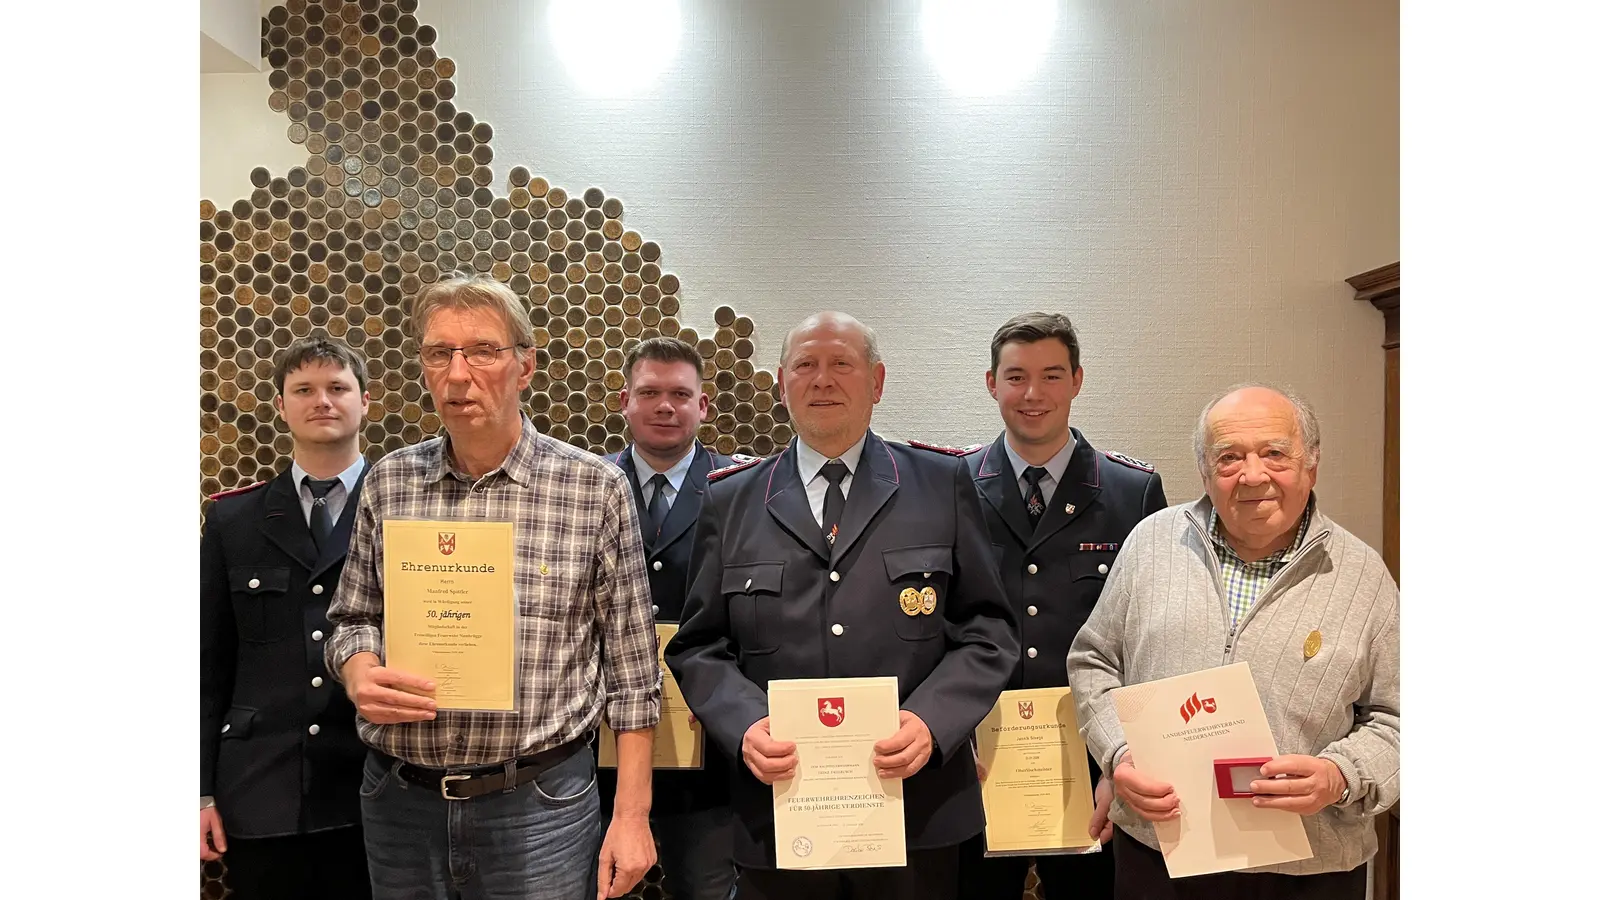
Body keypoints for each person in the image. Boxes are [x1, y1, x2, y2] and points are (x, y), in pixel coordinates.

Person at [324, 273, 662, 900]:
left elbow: (634, 671)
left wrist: (632, 816)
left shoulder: (593, 489)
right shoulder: (390, 483)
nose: (458, 374)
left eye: (482, 351)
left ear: (525, 365)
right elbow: (351, 618)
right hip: (401, 801)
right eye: (438, 353)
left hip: (541, 806)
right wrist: (358, 669)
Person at [665, 311, 1019, 900]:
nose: (822, 379)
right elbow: (700, 645)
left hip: (915, 808)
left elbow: (989, 628)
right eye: (805, 365)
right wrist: (744, 723)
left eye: (841, 364)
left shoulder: (942, 482)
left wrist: (933, 719)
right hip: (779, 808)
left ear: (876, 382)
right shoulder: (731, 499)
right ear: (782, 383)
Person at [1067, 384, 1399, 900]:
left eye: (1274, 454)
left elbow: (1398, 718)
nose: (1252, 475)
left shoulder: (1364, 576)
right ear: (1204, 471)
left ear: (1311, 465)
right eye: (1229, 458)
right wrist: (1119, 754)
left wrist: (1339, 775)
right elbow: (1093, 662)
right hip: (1160, 854)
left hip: (1310, 871)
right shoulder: (1150, 544)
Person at [955, 311, 1167, 900]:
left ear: (1077, 380)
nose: (1032, 394)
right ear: (991, 383)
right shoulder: (952, 483)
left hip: (1097, 762)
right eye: (1016, 376)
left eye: (1051, 376)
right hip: (978, 759)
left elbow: (1150, 636)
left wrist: (1123, 764)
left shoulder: (1133, 492)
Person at [199, 337, 375, 899]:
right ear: (281, 405)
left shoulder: (405, 507)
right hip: (262, 785)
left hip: (375, 784)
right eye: (303, 390)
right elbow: (207, 663)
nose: (321, 401)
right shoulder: (234, 518)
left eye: (337, 388)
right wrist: (197, 791)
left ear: (365, 402)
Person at [598, 335, 740, 900]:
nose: (665, 406)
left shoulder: (741, 488)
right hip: (600, 743)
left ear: (703, 406)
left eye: (680, 394)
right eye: (650, 392)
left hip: (709, 743)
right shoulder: (584, 485)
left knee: (707, 890)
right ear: (624, 401)